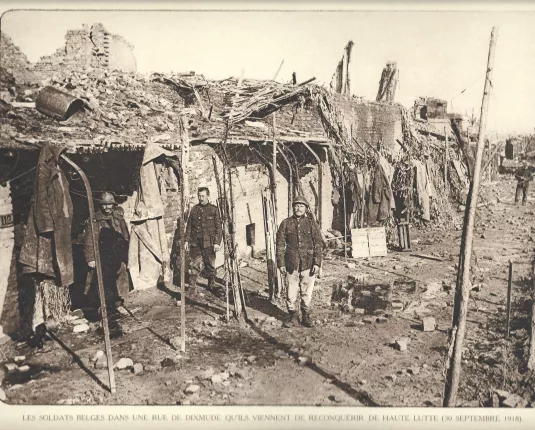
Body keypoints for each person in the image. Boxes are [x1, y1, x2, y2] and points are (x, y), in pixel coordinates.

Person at [276, 195, 323, 328]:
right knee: (291, 292)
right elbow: (279, 245)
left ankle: (306, 316)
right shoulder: (285, 223)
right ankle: (293, 315)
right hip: (291, 263)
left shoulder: (311, 223)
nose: (298, 208)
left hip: (308, 263)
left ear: (306, 209)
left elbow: (318, 243)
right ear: (293, 208)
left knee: (307, 291)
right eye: (296, 206)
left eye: (301, 206)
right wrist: (281, 263)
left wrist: (317, 262)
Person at [84, 191, 130, 309]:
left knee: (120, 277)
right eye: (104, 204)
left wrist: (126, 253)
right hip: (102, 255)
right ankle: (101, 305)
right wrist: (90, 258)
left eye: (109, 204)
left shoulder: (118, 217)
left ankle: (119, 301)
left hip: (116, 255)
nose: (107, 207)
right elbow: (89, 240)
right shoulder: (95, 220)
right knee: (101, 280)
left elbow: (125, 235)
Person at [185, 187, 222, 291]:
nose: (200, 198)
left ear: (208, 196)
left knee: (210, 264)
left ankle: (211, 285)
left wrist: (217, 243)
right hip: (195, 243)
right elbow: (189, 226)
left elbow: (219, 228)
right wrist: (187, 240)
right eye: (199, 196)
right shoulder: (194, 209)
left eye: (203, 196)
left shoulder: (213, 210)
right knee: (193, 265)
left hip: (209, 243)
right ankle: (192, 287)